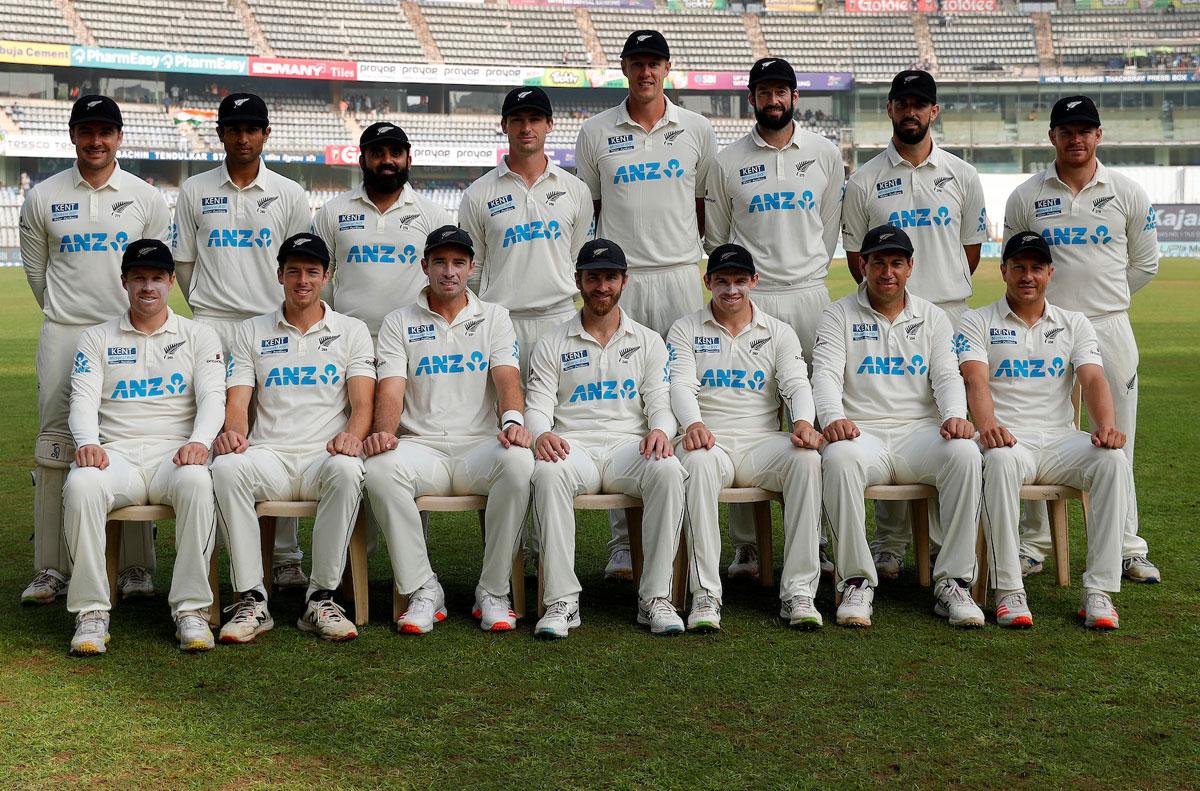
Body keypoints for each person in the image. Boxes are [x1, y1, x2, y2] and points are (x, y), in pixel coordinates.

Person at [574, 29, 718, 579]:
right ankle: (622, 543)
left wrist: (685, 255)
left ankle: (678, 535)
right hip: (620, 281)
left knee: (679, 399)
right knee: (624, 405)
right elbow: (587, 207)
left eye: (654, 62)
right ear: (625, 68)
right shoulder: (596, 131)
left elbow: (704, 205)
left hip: (680, 275)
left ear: (667, 67)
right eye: (636, 63)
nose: (645, 72)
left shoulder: (697, 129)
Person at [1003, 95, 1160, 585]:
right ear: (1051, 136)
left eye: (1085, 130)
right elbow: (1015, 263)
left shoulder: (1127, 192)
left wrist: (1102, 305)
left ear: (1099, 135)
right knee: (1035, 430)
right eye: (1066, 130)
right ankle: (1033, 545)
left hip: (1109, 327)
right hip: (1043, 329)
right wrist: (1062, 314)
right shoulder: (1026, 196)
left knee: (1117, 440)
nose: (1076, 139)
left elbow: (1145, 263)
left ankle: (1127, 547)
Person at [19, 94, 166, 606]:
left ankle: (135, 568)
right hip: (64, 331)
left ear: (119, 137)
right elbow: (37, 274)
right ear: (73, 136)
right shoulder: (43, 196)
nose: (96, 140)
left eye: (105, 131)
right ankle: (52, 568)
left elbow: (154, 272)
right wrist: (68, 316)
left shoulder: (145, 198)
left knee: (134, 435)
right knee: (57, 444)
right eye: (87, 131)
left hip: (127, 330)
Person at [841, 70, 988, 582]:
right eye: (902, 102)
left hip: (946, 309)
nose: (911, 111)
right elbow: (857, 254)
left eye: (920, 104)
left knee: (947, 425)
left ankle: (946, 549)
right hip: (886, 305)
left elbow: (971, 250)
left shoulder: (962, 175)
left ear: (934, 112)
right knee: (886, 412)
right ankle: (890, 543)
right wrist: (889, 293)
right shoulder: (863, 179)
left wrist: (937, 291)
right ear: (889, 110)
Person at [703, 56, 844, 579]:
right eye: (764, 91)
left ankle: (820, 540)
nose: (773, 100)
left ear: (795, 97)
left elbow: (827, 229)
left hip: (808, 296)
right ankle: (748, 546)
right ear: (751, 99)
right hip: (751, 298)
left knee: (815, 417)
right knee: (747, 415)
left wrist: (802, 269)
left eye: (781, 91)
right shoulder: (728, 160)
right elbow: (719, 237)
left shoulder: (825, 154)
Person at [173, 93, 312, 590]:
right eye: (234, 128)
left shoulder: (289, 193)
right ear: (221, 134)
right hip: (213, 323)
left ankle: (286, 556)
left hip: (271, 325)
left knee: (278, 432)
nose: (243, 137)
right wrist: (208, 309)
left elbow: (302, 267)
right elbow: (184, 266)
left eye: (252, 128)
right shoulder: (194, 190)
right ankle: (219, 553)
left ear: (266, 134)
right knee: (215, 433)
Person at [364, 226, 533, 634]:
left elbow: (508, 378)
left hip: (479, 446)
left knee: (519, 462)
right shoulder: (398, 322)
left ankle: (493, 591)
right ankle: (423, 588)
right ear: (425, 266)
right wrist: (385, 432)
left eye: (458, 262)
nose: (449, 272)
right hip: (422, 448)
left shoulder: (495, 317)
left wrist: (513, 422)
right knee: (380, 470)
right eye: (440, 262)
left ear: (472, 268)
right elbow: (390, 388)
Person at [813, 225, 984, 629]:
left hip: (917, 434)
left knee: (964, 453)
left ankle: (954, 582)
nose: (886, 272)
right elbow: (825, 375)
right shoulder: (838, 313)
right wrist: (833, 419)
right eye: (877, 263)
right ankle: (855, 580)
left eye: (895, 263)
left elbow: (946, 376)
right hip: (862, 432)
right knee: (837, 457)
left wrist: (955, 416)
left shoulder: (934, 317)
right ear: (862, 265)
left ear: (910, 268)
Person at [957, 231, 1129, 630]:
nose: (1027, 276)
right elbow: (975, 381)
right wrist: (989, 428)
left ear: (1050, 272)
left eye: (1036, 268)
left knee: (1112, 460)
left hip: (1059, 438)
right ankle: (1009, 590)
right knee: (997, 461)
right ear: (1003, 271)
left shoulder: (1074, 323)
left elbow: (1092, 379)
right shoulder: (976, 321)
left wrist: (1106, 428)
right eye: (1019, 267)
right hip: (1008, 438)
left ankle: (1099, 591)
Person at [62, 240, 225, 655]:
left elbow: (212, 398)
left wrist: (199, 442)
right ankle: (92, 612)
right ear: (124, 282)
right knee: (81, 485)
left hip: (174, 454)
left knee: (196, 482)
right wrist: (88, 444)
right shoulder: (96, 338)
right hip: (116, 454)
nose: (147, 287)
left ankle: (191, 609)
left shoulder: (199, 335)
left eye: (156, 278)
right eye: (139, 278)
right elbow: (82, 400)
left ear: (171, 281)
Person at [211, 234, 375, 643]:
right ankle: (251, 599)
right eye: (294, 271)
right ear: (280, 274)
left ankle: (321, 597)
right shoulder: (251, 331)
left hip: (326, 453)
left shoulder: (351, 330)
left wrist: (353, 438)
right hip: (271, 456)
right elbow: (238, 400)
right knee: (227, 467)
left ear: (327, 276)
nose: (303, 280)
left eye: (312, 272)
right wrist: (233, 435)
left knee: (348, 470)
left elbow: (362, 406)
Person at [526, 239, 686, 638]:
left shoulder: (648, 340)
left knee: (668, 470)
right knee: (547, 474)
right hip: (573, 445)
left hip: (627, 446)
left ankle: (656, 598)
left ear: (624, 281)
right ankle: (561, 600)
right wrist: (542, 433)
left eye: (610, 277)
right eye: (592, 277)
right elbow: (538, 405)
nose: (602, 287)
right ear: (577, 280)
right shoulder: (552, 342)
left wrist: (661, 431)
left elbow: (661, 403)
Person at [667, 244, 824, 632]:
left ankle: (799, 591)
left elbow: (795, 382)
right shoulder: (685, 328)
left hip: (760, 442)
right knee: (698, 464)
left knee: (807, 459)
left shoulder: (779, 332)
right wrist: (693, 424)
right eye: (722, 281)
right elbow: (680, 385)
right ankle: (706, 594)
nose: (731, 289)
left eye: (739, 280)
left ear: (754, 281)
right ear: (708, 282)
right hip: (709, 440)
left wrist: (803, 421)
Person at [458, 86, 593, 376]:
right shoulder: (477, 194)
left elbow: (574, 258)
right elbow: (474, 268)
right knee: (503, 413)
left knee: (560, 412)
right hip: (501, 319)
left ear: (549, 125)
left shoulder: (575, 190)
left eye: (535, 119)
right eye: (517, 119)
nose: (526, 128)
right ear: (504, 125)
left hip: (560, 316)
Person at [312, 122, 450, 338]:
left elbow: (447, 279)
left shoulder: (434, 215)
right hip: (348, 339)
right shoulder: (332, 211)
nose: (387, 161)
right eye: (377, 153)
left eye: (396, 153)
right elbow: (319, 278)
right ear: (361, 161)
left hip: (414, 339)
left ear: (409, 160)